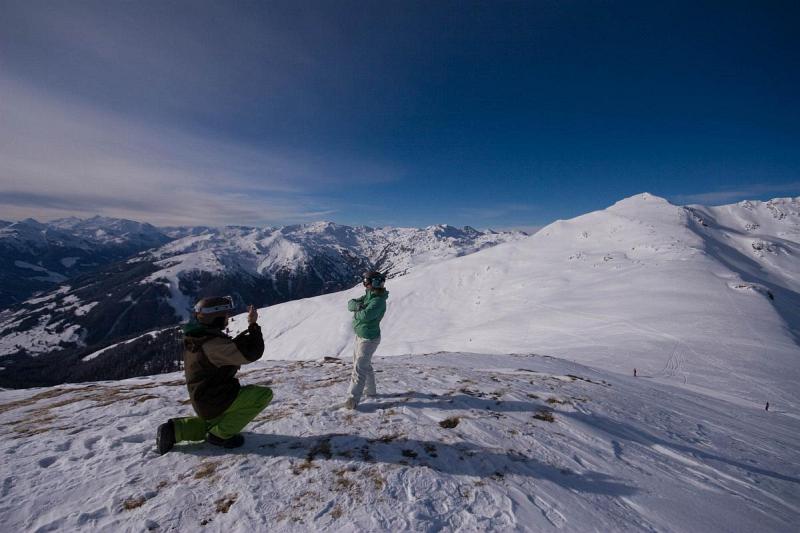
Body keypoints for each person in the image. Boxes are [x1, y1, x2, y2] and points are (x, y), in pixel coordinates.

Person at [156, 296, 272, 454]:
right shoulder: (212, 344)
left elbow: (227, 350)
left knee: (215, 421)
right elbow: (252, 352)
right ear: (215, 318)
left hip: (205, 399)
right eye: (225, 314)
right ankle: (221, 436)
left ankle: (175, 430)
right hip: (214, 400)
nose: (228, 317)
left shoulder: (198, 338)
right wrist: (252, 324)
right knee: (262, 395)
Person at [344, 271, 389, 409]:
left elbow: (365, 316)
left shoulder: (378, 301)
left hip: (369, 339)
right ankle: (371, 392)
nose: (364, 283)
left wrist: (357, 311)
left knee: (359, 368)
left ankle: (352, 399)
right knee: (363, 365)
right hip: (361, 336)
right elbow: (350, 303)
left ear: (374, 282)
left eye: (366, 281)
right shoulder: (370, 295)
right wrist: (358, 307)